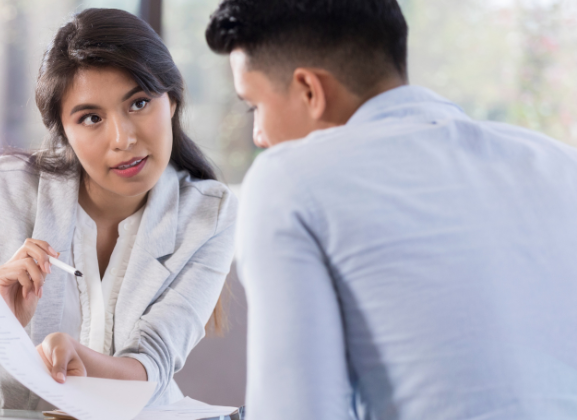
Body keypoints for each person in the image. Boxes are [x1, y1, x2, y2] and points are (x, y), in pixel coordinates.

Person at [206, 0, 577, 419]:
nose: (257, 136)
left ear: (310, 90)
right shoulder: (560, 163)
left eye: (254, 106)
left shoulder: (289, 180)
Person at [0, 8, 236, 411]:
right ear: (64, 131)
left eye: (138, 103)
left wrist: (80, 358)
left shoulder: (210, 215)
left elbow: (155, 362)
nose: (122, 139)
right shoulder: (1, 190)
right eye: (91, 118)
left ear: (170, 100)